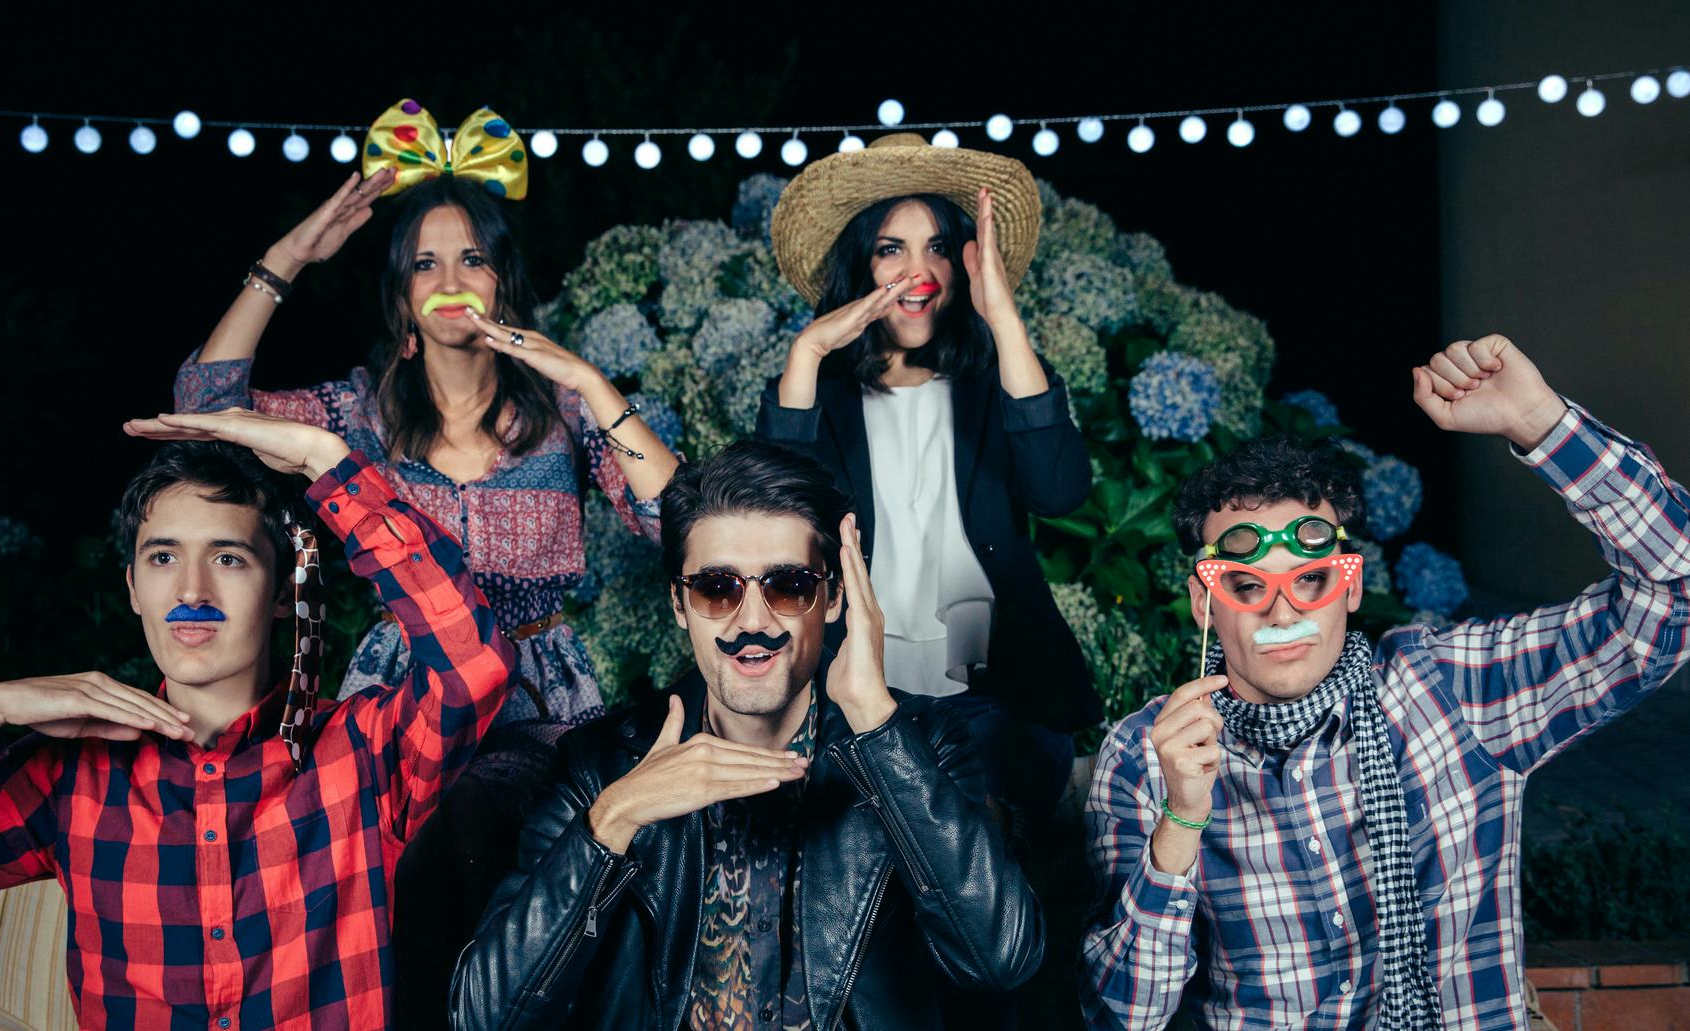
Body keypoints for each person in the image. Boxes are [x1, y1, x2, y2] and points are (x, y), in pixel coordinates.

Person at [173, 101, 679, 1023]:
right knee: (392, 860)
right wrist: (290, 256)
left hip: (537, 703)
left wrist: (593, 383)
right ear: (404, 296)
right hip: (402, 696)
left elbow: (677, 520)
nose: (451, 279)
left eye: (472, 259)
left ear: (502, 281)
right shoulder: (359, 414)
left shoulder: (562, 413)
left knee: (520, 840)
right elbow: (207, 396)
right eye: (426, 263)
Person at [1082, 335, 1690, 1030]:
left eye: (1311, 579)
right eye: (1248, 585)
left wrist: (1539, 421)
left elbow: (1676, 591)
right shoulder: (1144, 757)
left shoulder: (1453, 690)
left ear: (1350, 587)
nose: (1283, 611)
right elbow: (1119, 1016)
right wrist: (1182, 819)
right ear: (1203, 601)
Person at [0, 406, 514, 1029]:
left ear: (284, 592)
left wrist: (325, 457)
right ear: (133, 588)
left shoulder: (361, 751)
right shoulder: (70, 779)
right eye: (163, 557)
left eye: (228, 557)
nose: (191, 591)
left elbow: (475, 662)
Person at [454, 439, 1044, 1030]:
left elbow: (1001, 960)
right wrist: (612, 821)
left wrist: (875, 724)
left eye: (788, 586)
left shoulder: (923, 746)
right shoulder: (600, 768)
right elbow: (483, 1018)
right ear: (681, 605)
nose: (753, 621)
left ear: (834, 598)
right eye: (717, 588)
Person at [756, 132, 1100, 829]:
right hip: (857, 691)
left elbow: (1060, 492)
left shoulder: (993, 383)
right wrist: (807, 349)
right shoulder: (819, 396)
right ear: (862, 263)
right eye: (891, 249)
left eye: (938, 247)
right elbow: (770, 523)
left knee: (986, 862)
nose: (918, 272)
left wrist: (1001, 316)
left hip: (996, 691)